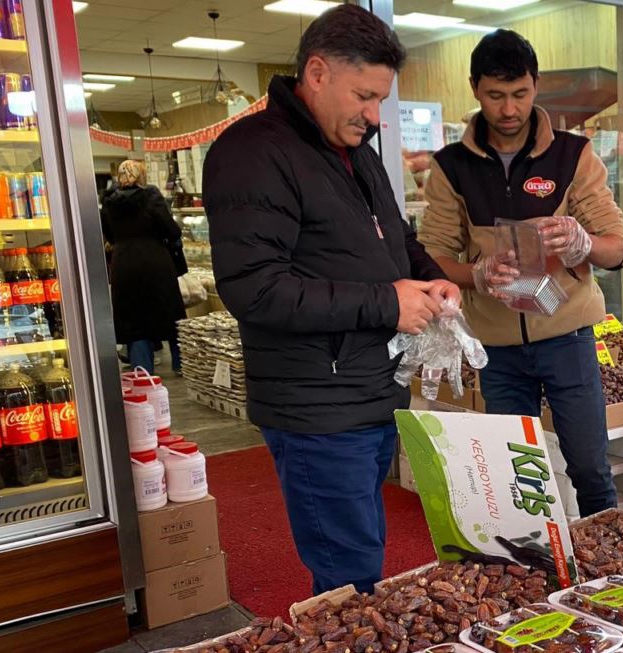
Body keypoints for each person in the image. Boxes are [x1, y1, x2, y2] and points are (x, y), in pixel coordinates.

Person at [203, 5, 459, 594]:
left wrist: (431, 276)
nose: (374, 116)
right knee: (348, 573)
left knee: (363, 551)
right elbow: (255, 289)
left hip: (370, 388)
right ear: (316, 74)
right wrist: (386, 303)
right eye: (364, 96)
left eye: (381, 101)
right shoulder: (252, 153)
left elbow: (398, 237)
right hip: (315, 406)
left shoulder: (354, 151)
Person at [418, 29, 623, 517]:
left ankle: (607, 573)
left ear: (535, 86)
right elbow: (431, 260)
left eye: (520, 94)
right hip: (498, 351)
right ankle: (535, 566)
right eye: (495, 96)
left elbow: (617, 249)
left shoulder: (574, 155)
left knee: (591, 469)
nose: (509, 109)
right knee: (516, 473)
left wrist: (583, 242)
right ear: (474, 88)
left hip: (567, 336)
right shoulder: (452, 168)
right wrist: (478, 273)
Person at [100, 160, 186, 375]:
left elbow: (109, 234)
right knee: (170, 313)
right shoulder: (151, 196)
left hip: (124, 266)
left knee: (133, 320)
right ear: (140, 175)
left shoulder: (109, 202)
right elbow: (172, 230)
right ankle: (182, 363)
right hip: (155, 262)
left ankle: (142, 370)